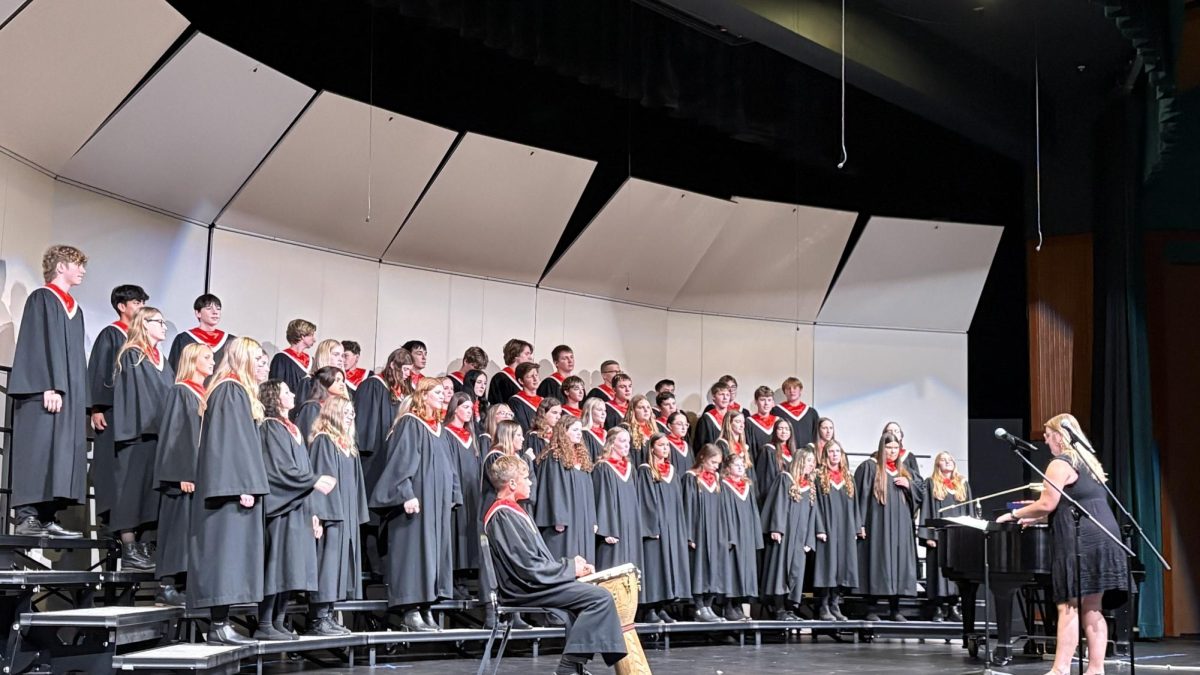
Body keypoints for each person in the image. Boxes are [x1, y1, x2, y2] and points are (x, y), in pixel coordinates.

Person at [996, 414, 1128, 675]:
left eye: (1047, 435)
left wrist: (1015, 514)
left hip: (1081, 541)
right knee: (1092, 606)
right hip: (1106, 536)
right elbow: (1070, 505)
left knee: (1068, 604)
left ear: (1059, 435)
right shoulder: (1090, 463)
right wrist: (1036, 519)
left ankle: (1060, 669)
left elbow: (1047, 503)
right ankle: (1095, 670)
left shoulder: (1059, 463)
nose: (1045, 441)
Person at [483, 455, 626, 675]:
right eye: (525, 478)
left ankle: (576, 665)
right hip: (522, 588)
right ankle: (567, 668)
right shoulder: (502, 514)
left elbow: (534, 561)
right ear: (512, 483)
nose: (531, 482)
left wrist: (571, 566)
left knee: (592, 595)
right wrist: (569, 570)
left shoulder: (515, 511)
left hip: (530, 583)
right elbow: (527, 566)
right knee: (600, 598)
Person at [190, 337, 271, 644]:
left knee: (232, 557)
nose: (264, 366)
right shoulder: (230, 389)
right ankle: (217, 624)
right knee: (223, 556)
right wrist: (242, 486)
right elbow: (228, 444)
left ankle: (221, 623)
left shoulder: (240, 392)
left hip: (238, 489)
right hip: (228, 493)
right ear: (244, 360)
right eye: (259, 361)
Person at [368, 378, 462, 632]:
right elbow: (399, 463)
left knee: (434, 555)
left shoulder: (439, 429)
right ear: (423, 395)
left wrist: (453, 493)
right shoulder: (410, 423)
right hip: (415, 504)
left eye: (444, 393)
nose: (444, 396)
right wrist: (405, 493)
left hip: (437, 505)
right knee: (414, 554)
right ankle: (410, 611)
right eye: (438, 392)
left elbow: (449, 468)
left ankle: (426, 606)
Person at [10, 245, 89, 538]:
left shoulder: (74, 309)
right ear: (60, 267)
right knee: (39, 449)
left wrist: (82, 402)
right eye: (77, 264)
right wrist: (48, 385)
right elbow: (35, 343)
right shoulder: (42, 298)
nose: (81, 270)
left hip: (68, 394)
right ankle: (27, 517)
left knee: (61, 453)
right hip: (44, 392)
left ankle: (46, 517)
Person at [257, 380, 334, 640]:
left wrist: (313, 510)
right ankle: (265, 623)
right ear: (274, 398)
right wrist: (313, 481)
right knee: (277, 565)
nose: (292, 395)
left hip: (299, 504)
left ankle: (279, 621)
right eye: (286, 392)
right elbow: (278, 469)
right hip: (282, 507)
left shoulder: (293, 429)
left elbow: (302, 468)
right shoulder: (270, 427)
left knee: (292, 567)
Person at [111, 307, 175, 570]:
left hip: (159, 436)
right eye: (158, 322)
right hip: (137, 433)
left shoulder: (162, 359)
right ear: (144, 324)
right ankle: (129, 549)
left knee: (151, 493)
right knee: (130, 492)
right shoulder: (132, 355)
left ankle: (147, 547)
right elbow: (135, 397)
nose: (164, 326)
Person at [153, 342, 213, 606]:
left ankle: (186, 583)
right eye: (207, 357)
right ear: (192, 360)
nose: (212, 361)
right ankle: (166, 585)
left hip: (200, 473)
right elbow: (177, 434)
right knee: (177, 528)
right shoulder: (182, 391)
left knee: (192, 531)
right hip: (182, 475)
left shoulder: (204, 393)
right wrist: (183, 473)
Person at [87, 284, 148, 530]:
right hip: (113, 412)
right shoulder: (112, 334)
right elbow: (101, 370)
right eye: (136, 303)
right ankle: (113, 522)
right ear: (122, 307)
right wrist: (97, 407)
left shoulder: (144, 341)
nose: (141, 307)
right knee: (113, 468)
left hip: (137, 419)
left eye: (143, 303)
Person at [308, 395, 369, 636]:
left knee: (339, 567)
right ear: (333, 413)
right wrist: (321, 516)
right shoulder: (325, 441)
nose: (350, 416)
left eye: (351, 412)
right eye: (345, 411)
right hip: (331, 516)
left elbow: (356, 484)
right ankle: (318, 618)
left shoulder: (347, 445)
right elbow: (322, 480)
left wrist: (355, 515)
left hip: (346, 515)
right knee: (328, 565)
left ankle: (330, 613)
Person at [854, 431, 918, 621]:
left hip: (900, 527)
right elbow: (859, 496)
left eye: (896, 448)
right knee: (876, 560)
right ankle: (871, 608)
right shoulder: (870, 467)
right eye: (889, 447)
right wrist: (860, 524)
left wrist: (909, 485)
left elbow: (919, 495)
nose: (892, 451)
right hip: (876, 525)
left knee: (898, 564)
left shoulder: (904, 471)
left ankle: (895, 609)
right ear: (882, 448)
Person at [761, 446, 824, 620]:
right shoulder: (785, 479)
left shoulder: (810, 485)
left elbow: (813, 513)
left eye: (813, 461)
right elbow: (778, 505)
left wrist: (809, 540)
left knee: (796, 571)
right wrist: (777, 528)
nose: (812, 465)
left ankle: (790, 609)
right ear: (799, 461)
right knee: (780, 571)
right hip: (785, 535)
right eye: (809, 461)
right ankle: (779, 609)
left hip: (801, 537)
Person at [636, 433, 691, 623]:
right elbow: (645, 501)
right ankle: (649, 609)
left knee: (668, 565)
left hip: (672, 526)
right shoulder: (645, 470)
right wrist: (652, 526)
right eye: (661, 445)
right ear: (652, 448)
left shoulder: (671, 470)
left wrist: (679, 527)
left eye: (668, 445)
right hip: (656, 528)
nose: (666, 449)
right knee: (655, 566)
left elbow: (677, 501)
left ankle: (662, 608)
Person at [534, 416, 597, 564]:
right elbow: (553, 489)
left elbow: (589, 492)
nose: (579, 433)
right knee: (567, 554)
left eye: (580, 430)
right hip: (565, 520)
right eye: (575, 429)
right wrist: (558, 518)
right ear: (564, 432)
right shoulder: (554, 457)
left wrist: (593, 519)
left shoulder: (582, 459)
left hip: (583, 518)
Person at [919, 451, 972, 621]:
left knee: (956, 570)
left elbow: (969, 510)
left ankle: (953, 607)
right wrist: (928, 535)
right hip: (939, 537)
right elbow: (926, 508)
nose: (948, 462)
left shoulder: (962, 484)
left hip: (958, 537)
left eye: (950, 459)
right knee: (938, 571)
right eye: (943, 460)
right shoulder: (931, 483)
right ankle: (938, 608)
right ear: (937, 464)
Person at [813, 439, 860, 621]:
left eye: (837, 452)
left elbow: (855, 505)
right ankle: (823, 605)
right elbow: (815, 504)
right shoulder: (819, 476)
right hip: (827, 526)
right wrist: (819, 527)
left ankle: (835, 603)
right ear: (825, 455)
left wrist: (856, 527)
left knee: (841, 565)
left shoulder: (848, 476)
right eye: (831, 451)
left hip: (845, 527)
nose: (834, 455)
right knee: (827, 565)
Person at [355, 347, 411, 491]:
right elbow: (364, 423)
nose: (407, 374)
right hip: (375, 453)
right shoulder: (373, 385)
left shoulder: (403, 392)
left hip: (393, 452)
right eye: (404, 369)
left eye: (409, 370)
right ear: (393, 365)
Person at [443, 392, 483, 596]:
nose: (469, 411)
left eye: (471, 408)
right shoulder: (447, 434)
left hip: (473, 492)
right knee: (455, 530)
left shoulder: (472, 437)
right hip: (456, 493)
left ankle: (465, 578)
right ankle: (454, 579)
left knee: (468, 533)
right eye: (465, 407)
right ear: (454, 408)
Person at [683, 443, 726, 623]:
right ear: (703, 458)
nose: (716, 466)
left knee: (714, 567)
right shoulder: (691, 477)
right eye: (713, 462)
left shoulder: (716, 478)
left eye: (718, 463)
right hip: (699, 529)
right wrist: (690, 534)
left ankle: (709, 605)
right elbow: (688, 507)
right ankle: (699, 607)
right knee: (699, 568)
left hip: (715, 529)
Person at [592, 426, 643, 572]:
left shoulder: (631, 469)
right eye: (622, 441)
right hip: (614, 527)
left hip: (631, 526)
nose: (627, 445)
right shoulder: (602, 468)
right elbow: (601, 499)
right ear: (612, 443)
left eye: (628, 441)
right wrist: (607, 529)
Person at [718, 452, 762, 621]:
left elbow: (754, 513)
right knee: (731, 570)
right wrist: (728, 536)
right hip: (733, 535)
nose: (741, 467)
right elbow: (723, 514)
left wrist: (756, 537)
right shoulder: (724, 486)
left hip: (747, 535)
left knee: (744, 571)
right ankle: (728, 606)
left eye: (742, 465)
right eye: (736, 465)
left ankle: (737, 605)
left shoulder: (747, 487)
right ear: (728, 468)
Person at [167, 294, 234, 372]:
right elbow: (173, 370)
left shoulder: (231, 340)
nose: (215, 312)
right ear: (198, 313)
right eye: (209, 308)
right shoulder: (183, 339)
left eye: (218, 309)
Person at [294, 366, 348, 440]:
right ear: (325, 381)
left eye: (342, 381)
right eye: (337, 380)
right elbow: (309, 436)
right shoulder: (312, 408)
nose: (342, 384)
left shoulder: (336, 408)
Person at [269, 318, 317, 397]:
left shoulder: (311, 361)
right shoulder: (281, 359)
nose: (314, 339)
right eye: (311, 335)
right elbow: (275, 389)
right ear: (302, 336)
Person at [753, 419, 796, 505]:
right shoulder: (768, 450)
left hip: (791, 497)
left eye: (787, 429)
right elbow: (765, 480)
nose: (784, 432)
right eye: (780, 428)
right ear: (775, 431)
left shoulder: (793, 453)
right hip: (775, 498)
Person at [295, 339, 346, 410]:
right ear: (325, 356)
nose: (341, 359)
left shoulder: (342, 385)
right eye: (336, 354)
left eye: (342, 356)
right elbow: (304, 412)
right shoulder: (309, 382)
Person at [772, 377, 819, 449]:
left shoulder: (811, 412)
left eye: (794, 388)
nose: (791, 391)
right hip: (785, 454)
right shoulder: (776, 411)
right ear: (784, 391)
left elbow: (816, 436)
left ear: (800, 390)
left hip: (807, 454)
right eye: (788, 388)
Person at [488, 338, 533, 404]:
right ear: (515, 355)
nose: (530, 358)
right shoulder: (500, 378)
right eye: (527, 354)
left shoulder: (527, 379)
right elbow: (496, 405)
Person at [619, 394, 656, 466]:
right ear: (633, 411)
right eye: (641, 407)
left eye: (648, 407)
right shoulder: (625, 429)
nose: (646, 410)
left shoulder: (654, 430)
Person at [692, 381, 731, 449]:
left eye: (727, 395)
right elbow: (700, 445)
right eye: (721, 394)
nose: (725, 398)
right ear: (713, 397)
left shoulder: (732, 418)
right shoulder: (707, 419)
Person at [508, 362, 543, 432]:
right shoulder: (516, 401)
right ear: (521, 381)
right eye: (530, 376)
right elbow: (521, 426)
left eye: (536, 375)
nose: (535, 379)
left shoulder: (543, 401)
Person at [746, 386, 778, 459]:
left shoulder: (778, 421)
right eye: (762, 400)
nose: (766, 403)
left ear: (773, 403)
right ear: (756, 402)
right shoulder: (749, 422)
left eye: (769, 400)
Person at [579, 397, 608, 461]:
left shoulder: (606, 433)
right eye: (599, 410)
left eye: (605, 410)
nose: (603, 413)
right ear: (589, 411)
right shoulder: (583, 433)